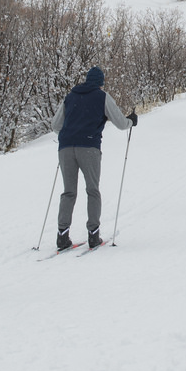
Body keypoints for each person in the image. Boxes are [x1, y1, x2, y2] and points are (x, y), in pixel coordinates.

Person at [50, 66, 137, 250]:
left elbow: (55, 125)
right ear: (100, 83)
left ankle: (62, 236)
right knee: (92, 190)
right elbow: (121, 123)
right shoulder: (102, 96)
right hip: (89, 147)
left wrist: (71, 131)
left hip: (65, 147)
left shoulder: (71, 95)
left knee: (68, 192)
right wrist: (131, 121)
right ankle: (93, 235)